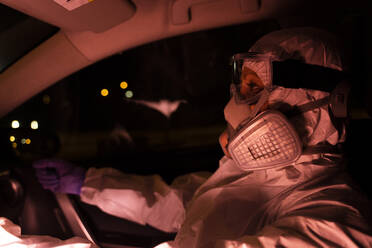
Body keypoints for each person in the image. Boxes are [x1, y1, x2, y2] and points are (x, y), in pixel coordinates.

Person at [2, 27, 372, 247]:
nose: (236, 106)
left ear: (318, 105)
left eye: (253, 88)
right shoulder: (252, 175)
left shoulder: (335, 221)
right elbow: (182, 204)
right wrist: (88, 183)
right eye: (241, 87)